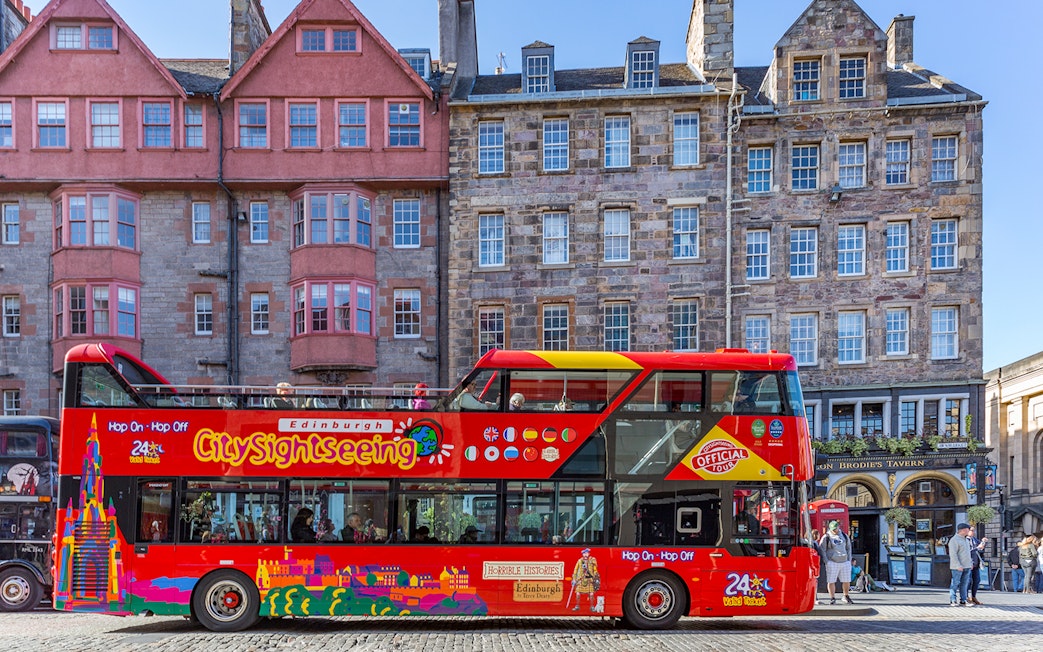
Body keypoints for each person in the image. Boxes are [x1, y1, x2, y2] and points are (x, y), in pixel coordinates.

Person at [819, 520, 854, 604]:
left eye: (836, 528)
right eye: (833, 529)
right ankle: (832, 597)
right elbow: (822, 549)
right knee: (831, 581)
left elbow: (849, 548)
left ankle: (846, 596)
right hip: (832, 562)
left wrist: (849, 560)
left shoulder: (844, 536)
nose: (835, 530)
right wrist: (826, 561)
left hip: (844, 561)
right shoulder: (826, 537)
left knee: (846, 580)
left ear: (839, 527)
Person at [948, 522, 973, 606]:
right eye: (967, 530)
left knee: (964, 584)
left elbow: (967, 553)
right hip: (957, 567)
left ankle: (963, 600)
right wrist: (958, 565)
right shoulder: (954, 540)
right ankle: (953, 600)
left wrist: (970, 563)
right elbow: (953, 554)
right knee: (955, 583)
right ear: (962, 530)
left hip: (967, 566)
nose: (968, 531)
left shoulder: (966, 540)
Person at [570, 548, 601, 612]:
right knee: (578, 594)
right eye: (584, 553)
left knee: (591, 594)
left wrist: (595, 575)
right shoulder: (580, 561)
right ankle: (577, 606)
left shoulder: (592, 560)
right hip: (581, 579)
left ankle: (592, 606)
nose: (585, 555)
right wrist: (574, 579)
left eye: (586, 553)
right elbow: (575, 570)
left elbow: (595, 569)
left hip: (589, 579)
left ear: (588, 553)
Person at [967, 527, 988, 604]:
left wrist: (984, 542)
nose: (973, 532)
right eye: (971, 530)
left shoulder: (975, 540)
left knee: (977, 580)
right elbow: (967, 551)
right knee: (968, 581)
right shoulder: (965, 540)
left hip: (976, 564)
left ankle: (973, 596)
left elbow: (981, 548)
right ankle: (965, 597)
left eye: (974, 530)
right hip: (968, 563)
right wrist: (977, 548)